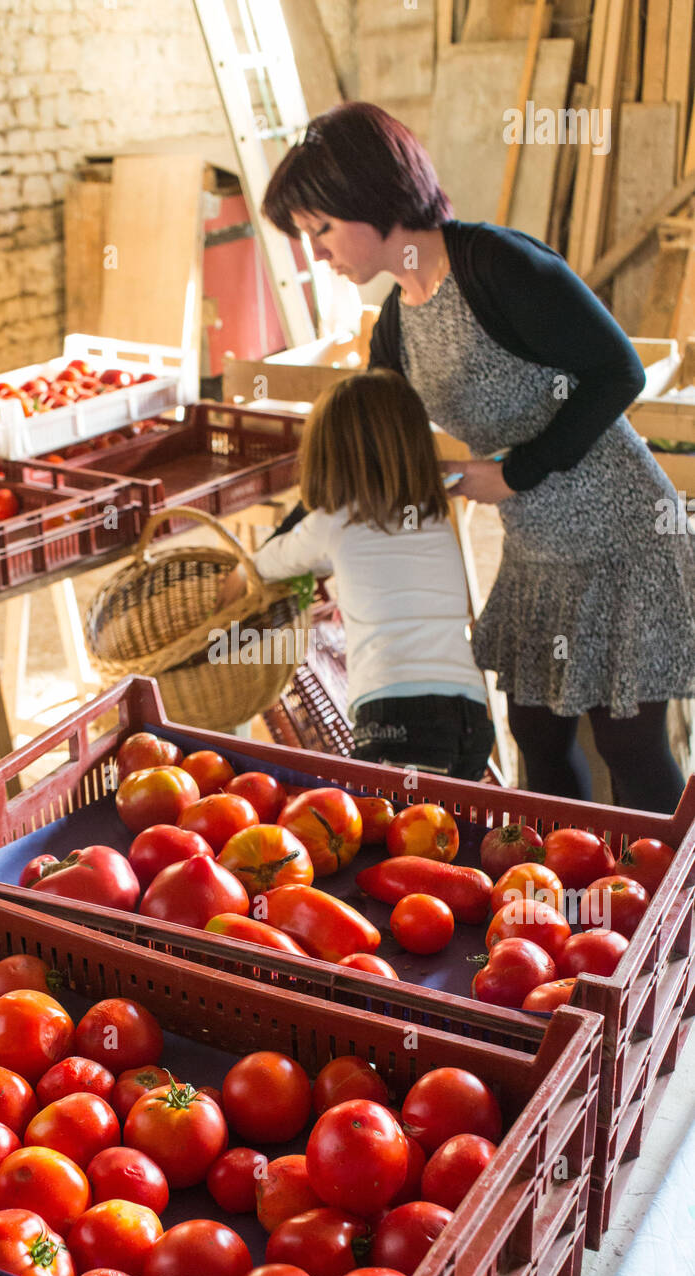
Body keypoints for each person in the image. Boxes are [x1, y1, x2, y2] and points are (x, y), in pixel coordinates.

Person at [259, 100, 695, 813]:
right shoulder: (398, 322)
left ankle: (675, 920)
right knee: (536, 738)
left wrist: (517, 471)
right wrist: (280, 548)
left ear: (371, 201)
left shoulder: (497, 265)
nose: (318, 254)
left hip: (624, 538)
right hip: (537, 553)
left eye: (322, 230)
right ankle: (570, 902)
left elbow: (620, 372)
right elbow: (361, 458)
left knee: (631, 747)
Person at [219, 368, 495, 779]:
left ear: (327, 457)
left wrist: (232, 585)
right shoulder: (431, 513)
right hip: (470, 711)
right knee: (446, 831)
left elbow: (263, 565)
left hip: (395, 715)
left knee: (395, 835)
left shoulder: (332, 522)